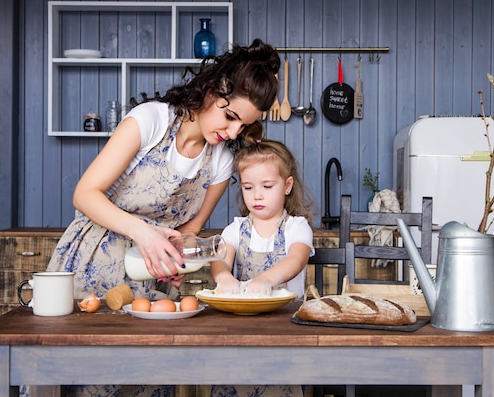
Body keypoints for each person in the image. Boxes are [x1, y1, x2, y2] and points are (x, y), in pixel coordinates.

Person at [41, 39, 280, 397]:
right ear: (213, 91)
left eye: (242, 127)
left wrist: (177, 251)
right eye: (230, 117)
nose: (232, 134)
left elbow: (190, 229)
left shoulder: (220, 161)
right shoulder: (152, 120)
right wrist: (145, 234)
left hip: (152, 278)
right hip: (94, 263)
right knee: (81, 377)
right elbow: (85, 194)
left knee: (146, 379)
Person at [209, 139, 315, 397]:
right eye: (248, 187)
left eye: (267, 186)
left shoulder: (296, 227)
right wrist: (223, 277)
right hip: (239, 331)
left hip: (285, 330)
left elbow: (296, 259)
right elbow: (220, 259)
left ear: (287, 186)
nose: (257, 195)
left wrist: (267, 279)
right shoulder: (235, 229)